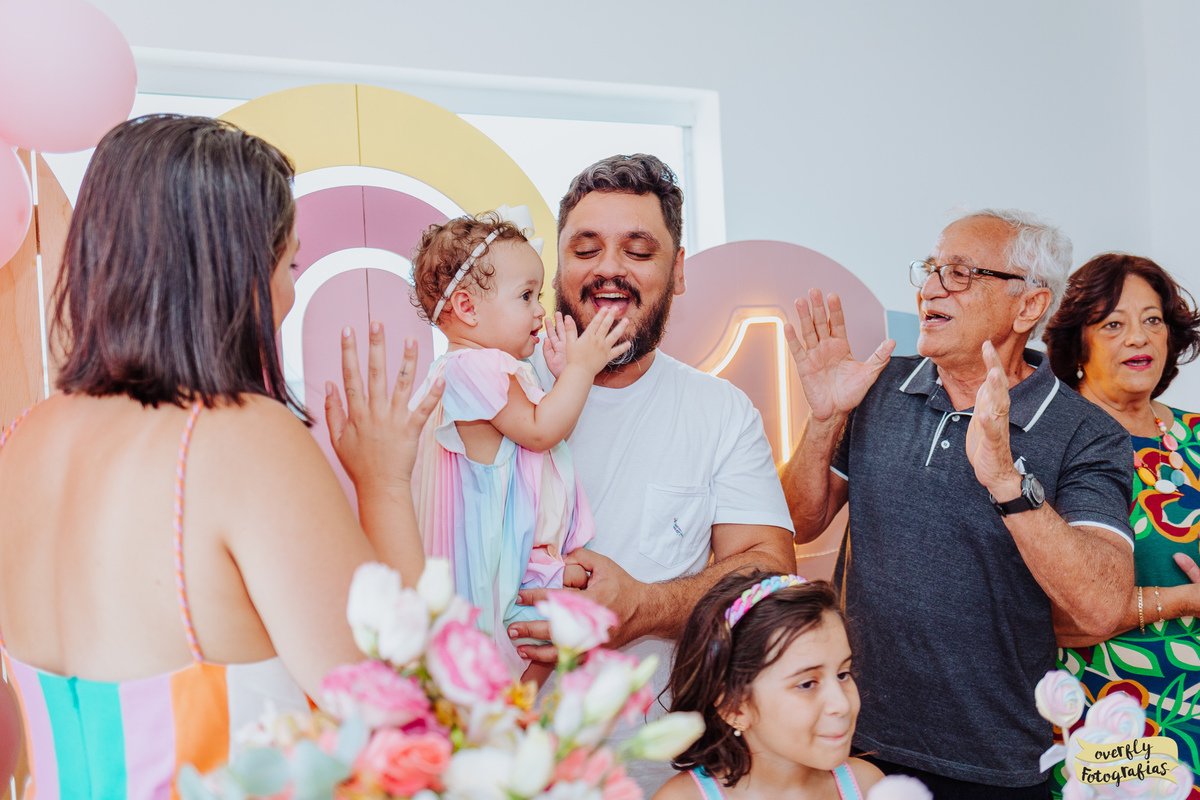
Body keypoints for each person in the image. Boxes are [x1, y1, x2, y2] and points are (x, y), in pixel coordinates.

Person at [0, 115, 438, 798]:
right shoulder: (243, 439)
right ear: (236, 272)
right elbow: (397, 706)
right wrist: (383, 480)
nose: (289, 293)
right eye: (288, 264)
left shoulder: (18, 441)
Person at [780, 209, 1137, 798]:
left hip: (994, 762)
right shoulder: (876, 390)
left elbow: (1099, 606)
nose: (930, 288)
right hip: (855, 740)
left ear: (1028, 306)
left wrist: (1004, 480)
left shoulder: (1087, 434)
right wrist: (824, 421)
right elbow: (799, 523)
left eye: (961, 273)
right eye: (931, 269)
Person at [508, 154, 796, 792]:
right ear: (560, 265)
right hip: (494, 765)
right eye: (586, 248)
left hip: (658, 776)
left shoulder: (717, 411)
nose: (609, 267)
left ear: (678, 269)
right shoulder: (494, 395)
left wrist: (643, 605)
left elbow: (769, 563)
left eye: (638, 249)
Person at [407, 210, 627, 678]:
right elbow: (543, 430)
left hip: (505, 552)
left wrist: (560, 377)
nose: (540, 310)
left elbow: (529, 440)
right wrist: (581, 369)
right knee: (533, 652)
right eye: (526, 296)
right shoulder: (474, 367)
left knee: (534, 656)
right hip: (494, 568)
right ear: (466, 308)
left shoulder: (473, 369)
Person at [1043, 254, 1200, 789]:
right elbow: (1056, 617)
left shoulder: (1198, 435)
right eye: (1113, 324)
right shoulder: (1053, 449)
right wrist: (1184, 600)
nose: (1140, 337)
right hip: (1117, 719)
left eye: (1152, 320)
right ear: (1078, 345)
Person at [653, 571, 884, 800]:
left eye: (843, 674)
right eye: (807, 684)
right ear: (734, 708)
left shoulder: (870, 787)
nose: (841, 705)